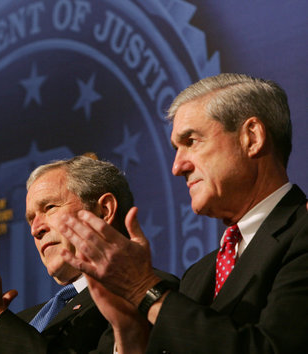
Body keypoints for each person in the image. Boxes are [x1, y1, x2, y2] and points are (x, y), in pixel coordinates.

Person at [58, 73, 308, 353]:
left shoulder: (301, 232)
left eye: (191, 141)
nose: (177, 167)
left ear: (251, 137)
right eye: (177, 149)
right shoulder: (199, 276)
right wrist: (130, 332)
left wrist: (144, 290)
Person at [0, 155, 176, 353]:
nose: (36, 229)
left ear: (104, 210)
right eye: (30, 219)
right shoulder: (21, 322)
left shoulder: (150, 294)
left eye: (49, 208)